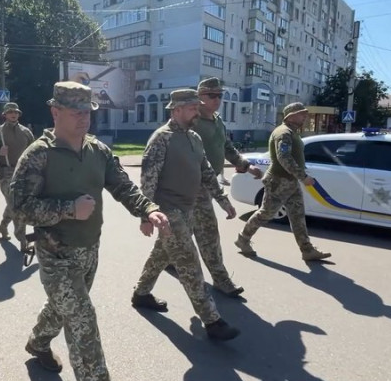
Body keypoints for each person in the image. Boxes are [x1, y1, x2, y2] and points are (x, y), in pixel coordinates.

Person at [11, 81, 169, 381]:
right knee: (83, 321)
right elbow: (21, 208)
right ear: (55, 111)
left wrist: (147, 209)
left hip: (88, 249)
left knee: (64, 306)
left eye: (88, 112)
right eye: (76, 112)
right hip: (56, 253)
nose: (84, 118)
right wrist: (68, 208)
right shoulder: (38, 156)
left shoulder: (97, 150)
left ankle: (38, 343)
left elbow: (122, 185)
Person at [131, 89, 241, 341]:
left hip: (188, 208)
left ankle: (141, 293)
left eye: (197, 107)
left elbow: (206, 171)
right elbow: (148, 180)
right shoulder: (162, 138)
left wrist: (223, 200)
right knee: (189, 263)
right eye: (192, 108)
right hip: (168, 211)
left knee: (161, 254)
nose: (197, 111)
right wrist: (145, 216)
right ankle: (212, 320)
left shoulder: (194, 137)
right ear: (177, 109)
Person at [180, 77, 260, 297]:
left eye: (220, 96)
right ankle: (221, 279)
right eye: (211, 95)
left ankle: (163, 263)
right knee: (208, 234)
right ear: (199, 97)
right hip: (190, 185)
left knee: (178, 233)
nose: (217, 100)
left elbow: (227, 147)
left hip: (209, 182)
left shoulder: (217, 121)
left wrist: (246, 165)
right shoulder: (191, 121)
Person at [234, 102, 330, 261]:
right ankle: (243, 239)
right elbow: (283, 157)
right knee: (266, 213)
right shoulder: (283, 133)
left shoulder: (292, 132)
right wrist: (303, 177)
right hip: (279, 181)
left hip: (290, 182)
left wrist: (298, 177)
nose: (304, 116)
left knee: (298, 215)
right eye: (301, 114)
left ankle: (307, 250)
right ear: (290, 116)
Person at [0, 102, 35, 250]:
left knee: (14, 204)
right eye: (10, 112)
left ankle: (2, 226)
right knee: (15, 205)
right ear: (5, 115)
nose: (13, 114)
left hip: (23, 173)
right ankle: (22, 239)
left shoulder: (26, 132)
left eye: (16, 112)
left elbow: (34, 151)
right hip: (6, 172)